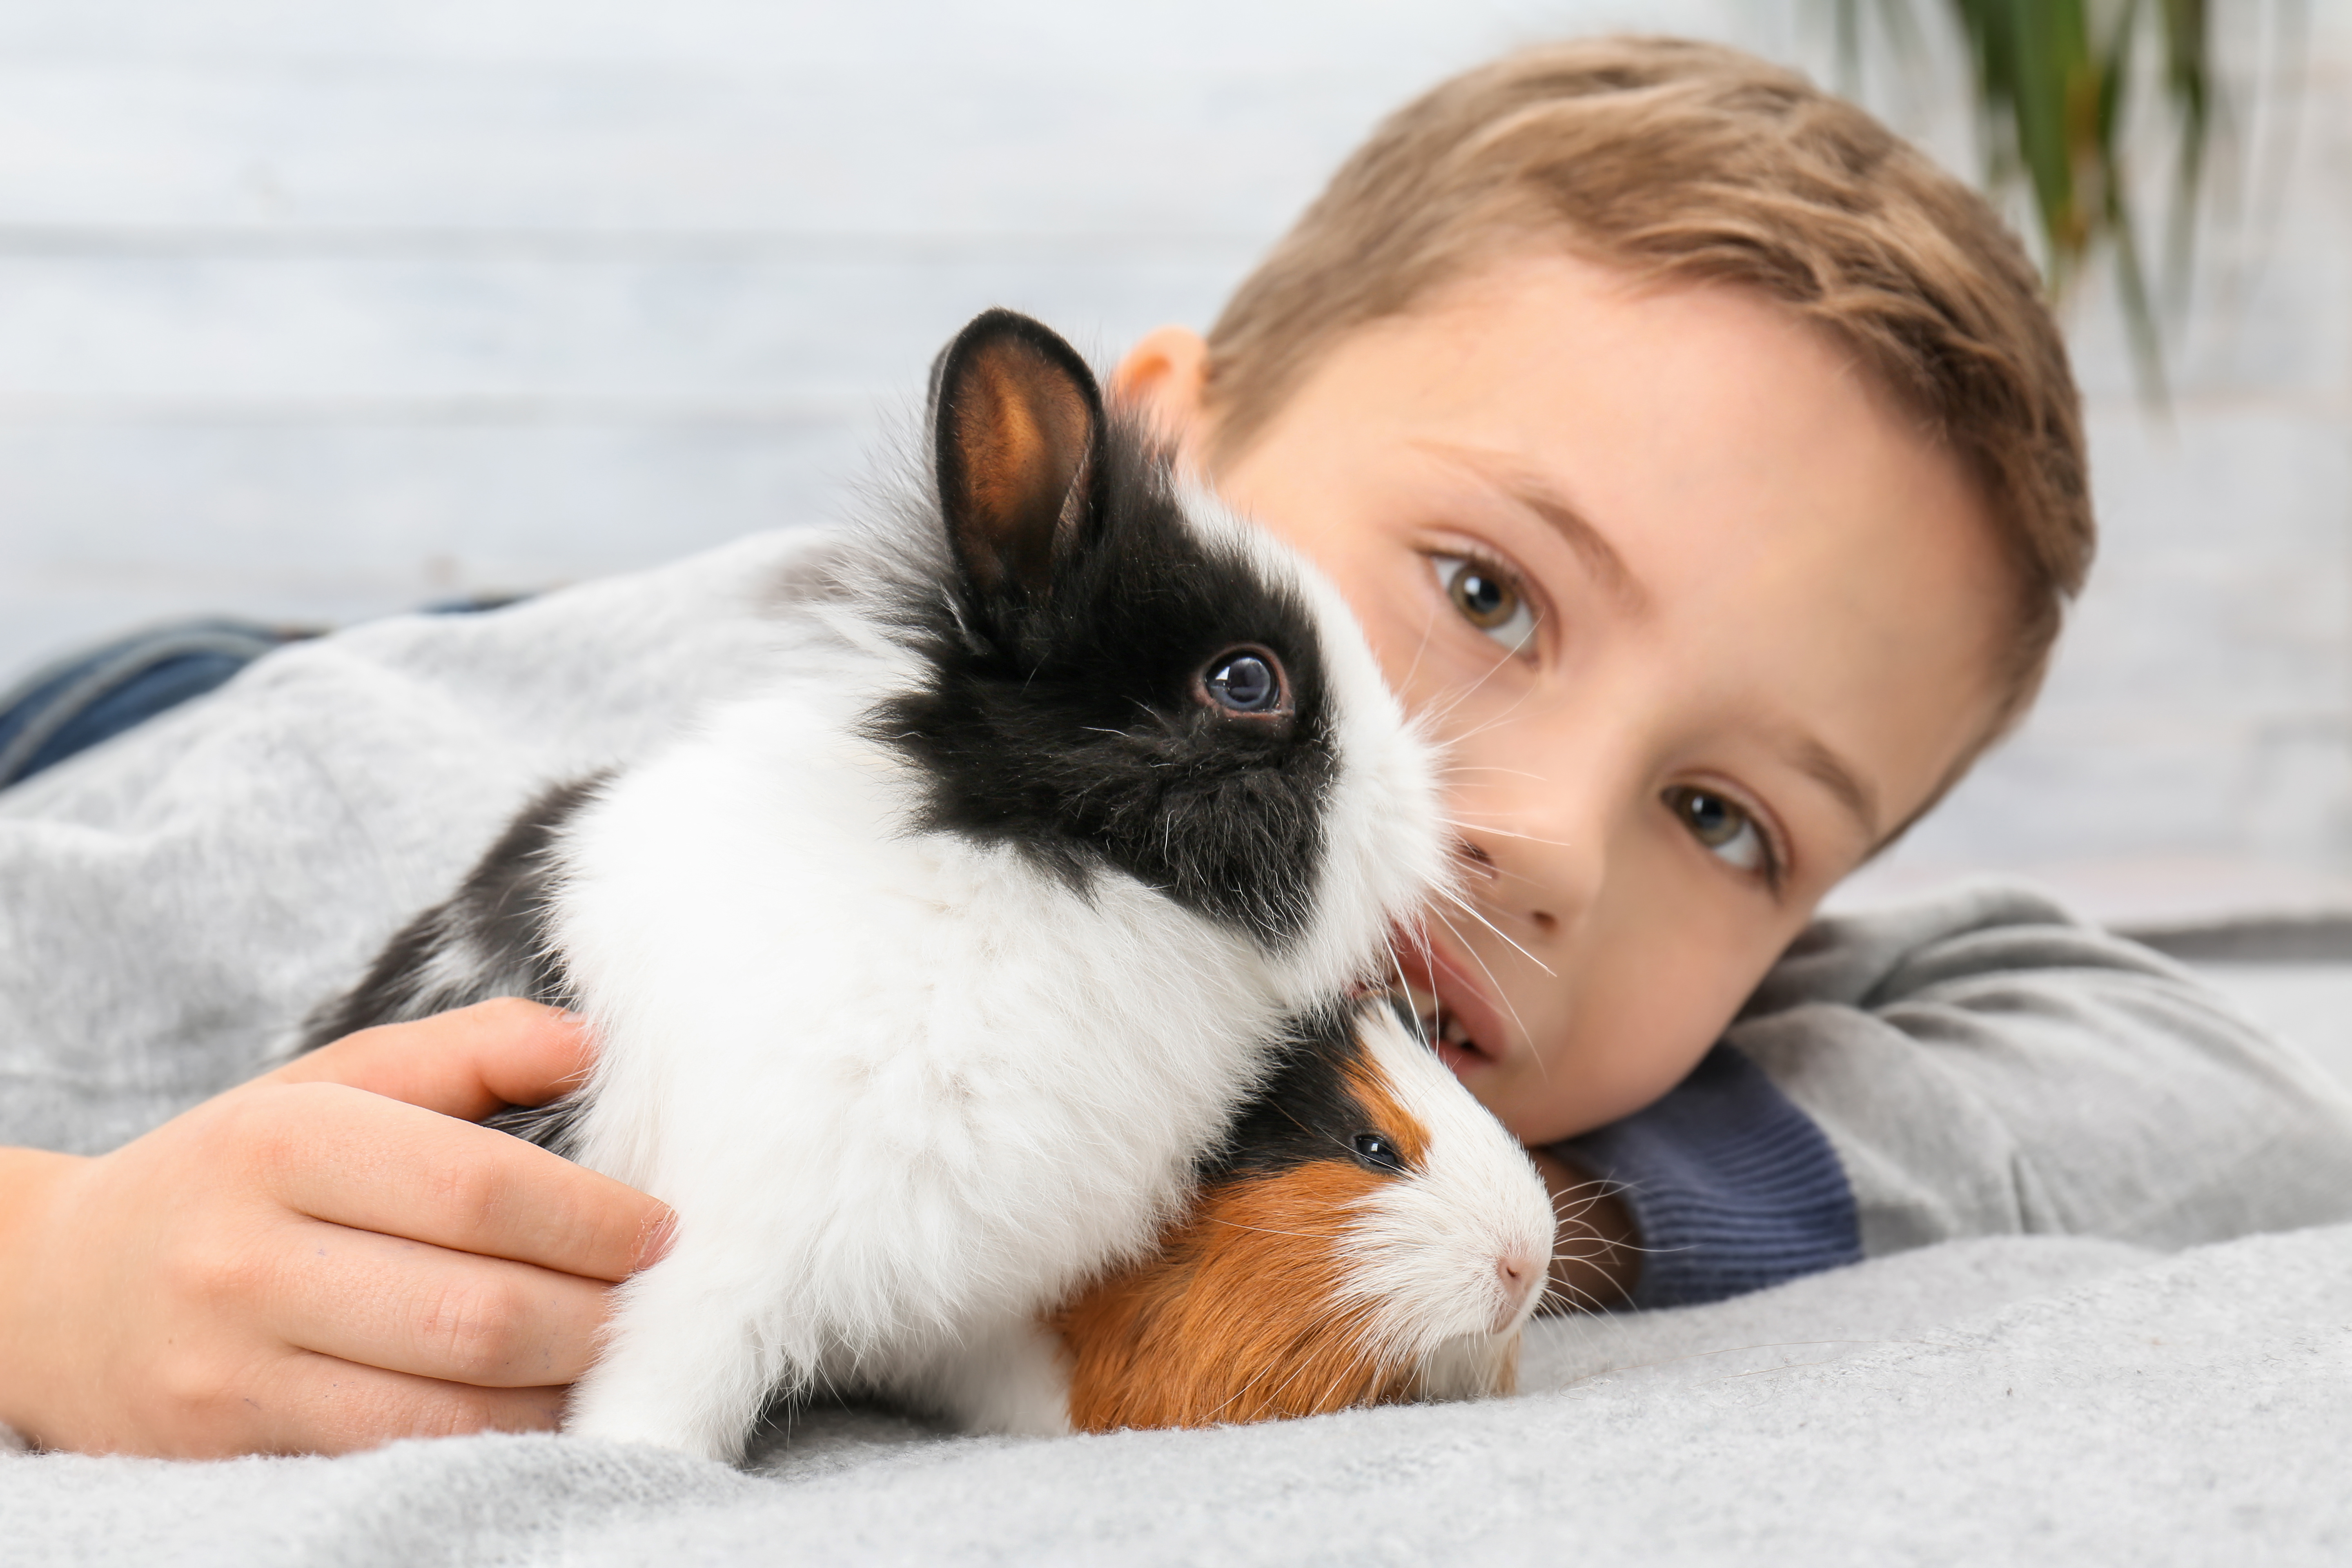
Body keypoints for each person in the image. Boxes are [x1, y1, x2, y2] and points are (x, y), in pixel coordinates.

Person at [3, 37, 2348, 1459]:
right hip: (160, 717)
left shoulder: (1463, 963)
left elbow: (2229, 1106)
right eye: (1486, 594)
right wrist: (61, 1272)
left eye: (1724, 821)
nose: (1535, 841)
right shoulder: (506, 808)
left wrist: (1571, 1176)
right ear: (1160, 469)